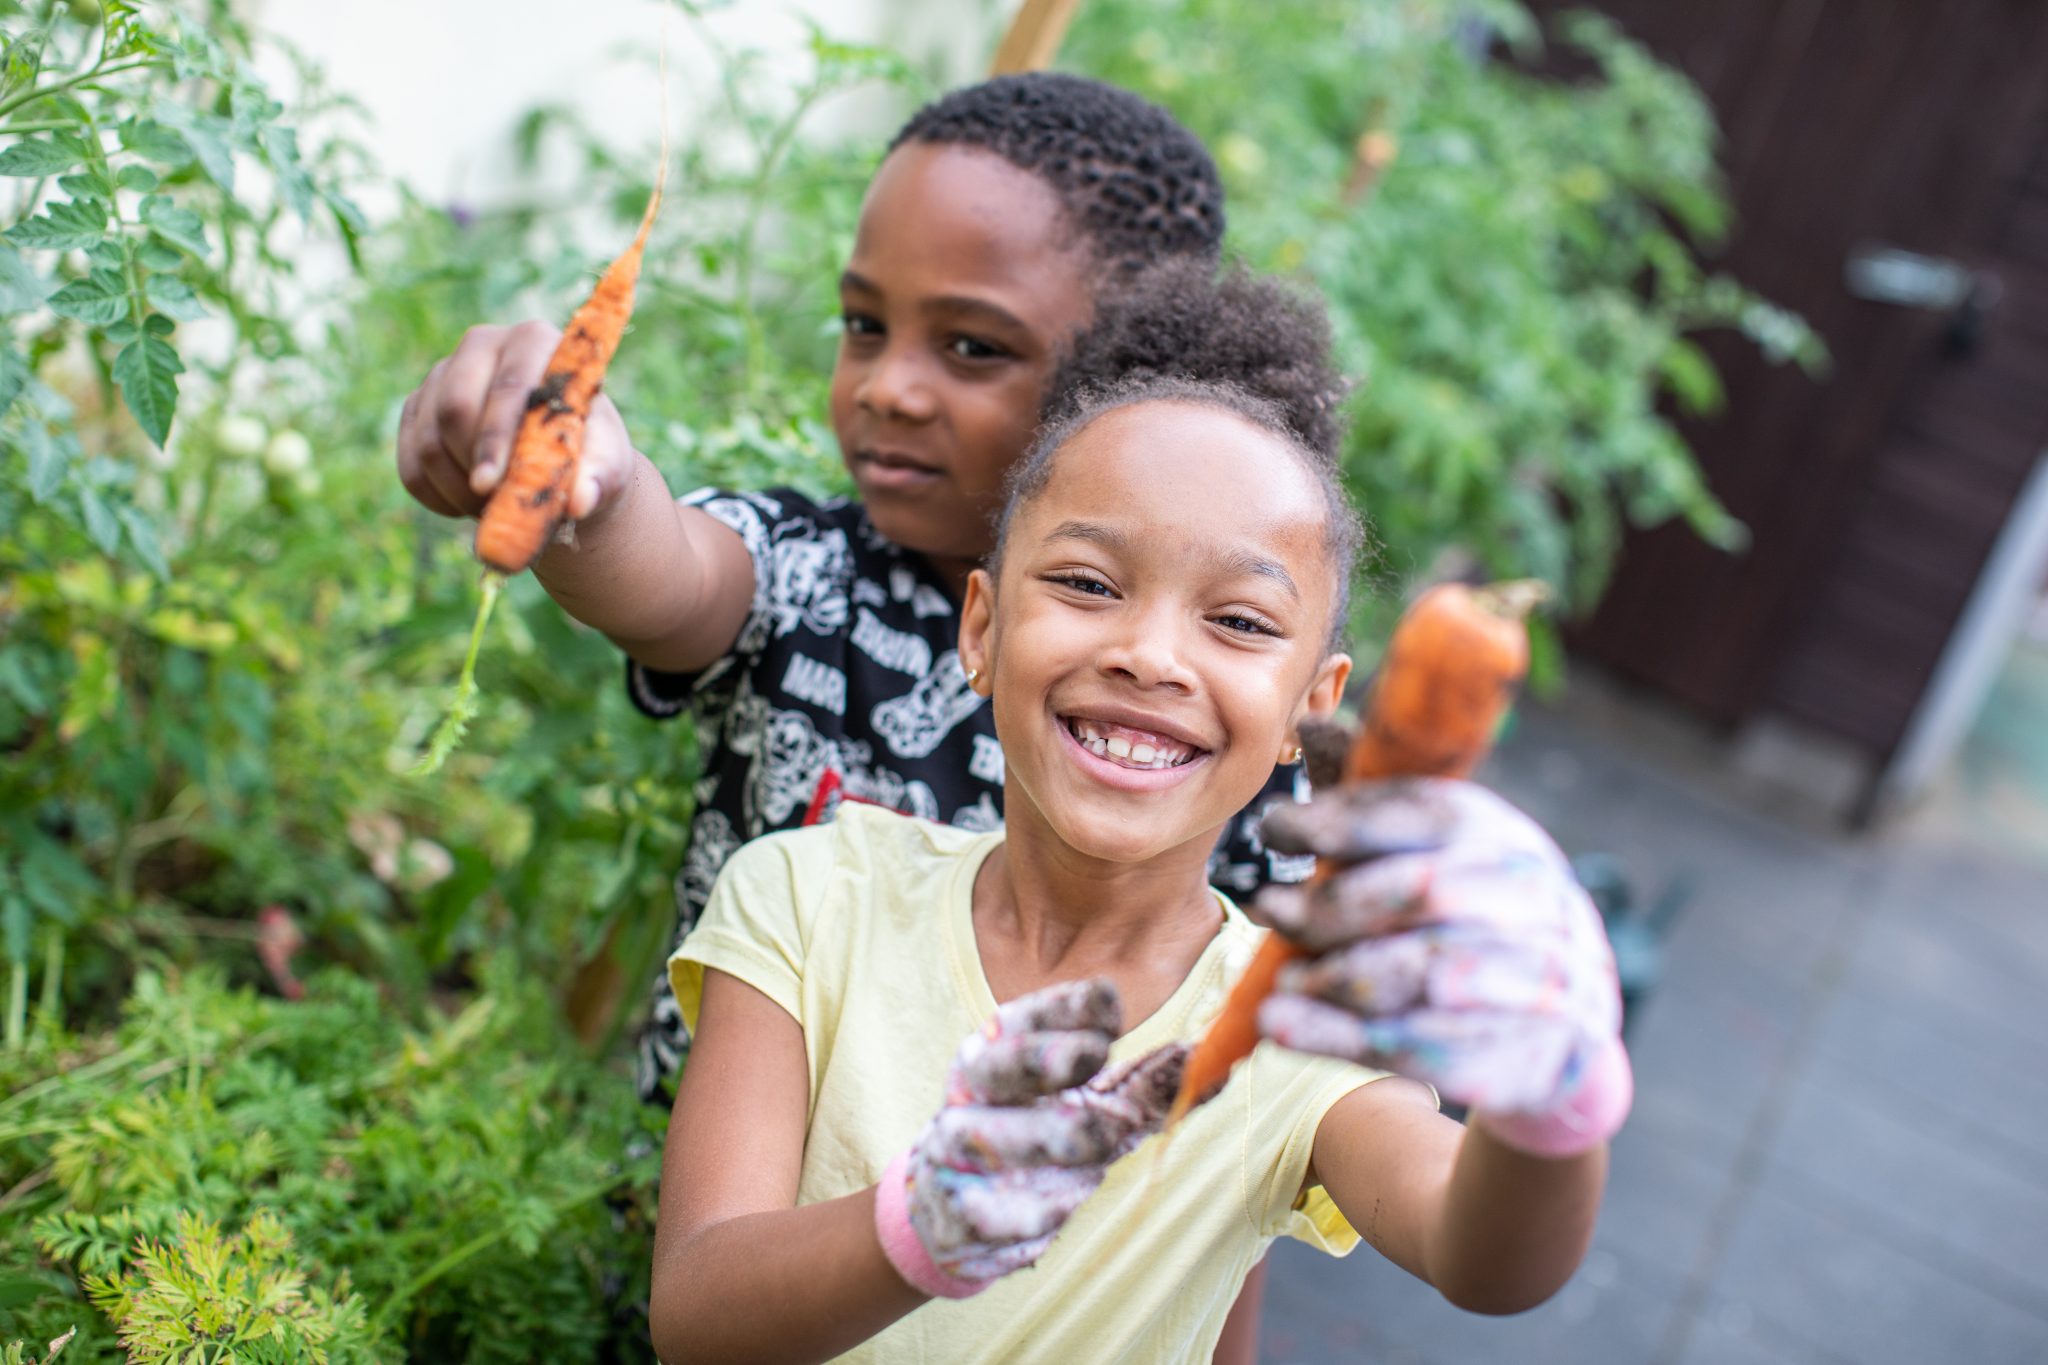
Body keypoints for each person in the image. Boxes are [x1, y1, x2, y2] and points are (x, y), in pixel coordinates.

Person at [648, 377, 1632, 1362]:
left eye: (1239, 621)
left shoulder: (1296, 1031)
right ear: (982, 630)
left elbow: (1487, 1264)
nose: (1150, 656)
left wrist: (1554, 1081)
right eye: (1086, 583)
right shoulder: (812, 892)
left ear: (1309, 707)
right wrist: (920, 1227)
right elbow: (695, 1316)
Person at [393, 74, 1326, 1112]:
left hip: (1029, 1256)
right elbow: (665, 572)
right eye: (862, 324)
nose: (886, 386)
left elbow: (1243, 1096)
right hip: (709, 1230)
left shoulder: (1211, 719)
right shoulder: (804, 575)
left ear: (1129, 384)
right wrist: (587, 482)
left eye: (971, 346)